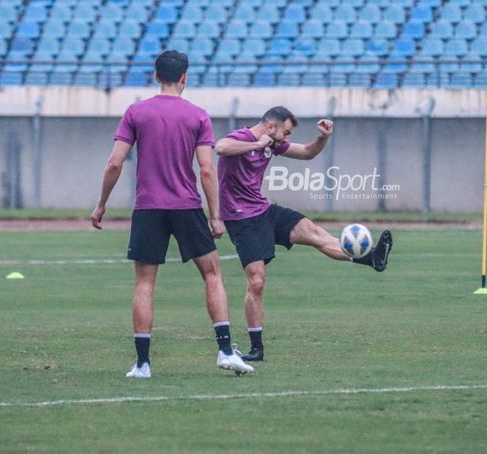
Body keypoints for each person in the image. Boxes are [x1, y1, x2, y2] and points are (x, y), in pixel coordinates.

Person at [91, 50, 253, 377]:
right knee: (212, 274)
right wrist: (215, 215)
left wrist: (101, 204)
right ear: (184, 77)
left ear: (155, 76)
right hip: (187, 206)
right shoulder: (197, 116)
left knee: (144, 284)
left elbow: (114, 162)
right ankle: (224, 351)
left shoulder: (136, 112)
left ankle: (142, 364)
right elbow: (207, 170)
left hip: (149, 208)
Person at [215, 106, 394, 362]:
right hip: (241, 218)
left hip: (264, 210)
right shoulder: (243, 137)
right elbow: (221, 147)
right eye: (285, 132)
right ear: (270, 127)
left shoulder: (273, 143)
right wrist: (257, 145)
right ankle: (257, 347)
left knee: (313, 232)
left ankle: (372, 258)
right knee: (257, 281)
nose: (286, 138)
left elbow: (308, 153)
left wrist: (322, 137)